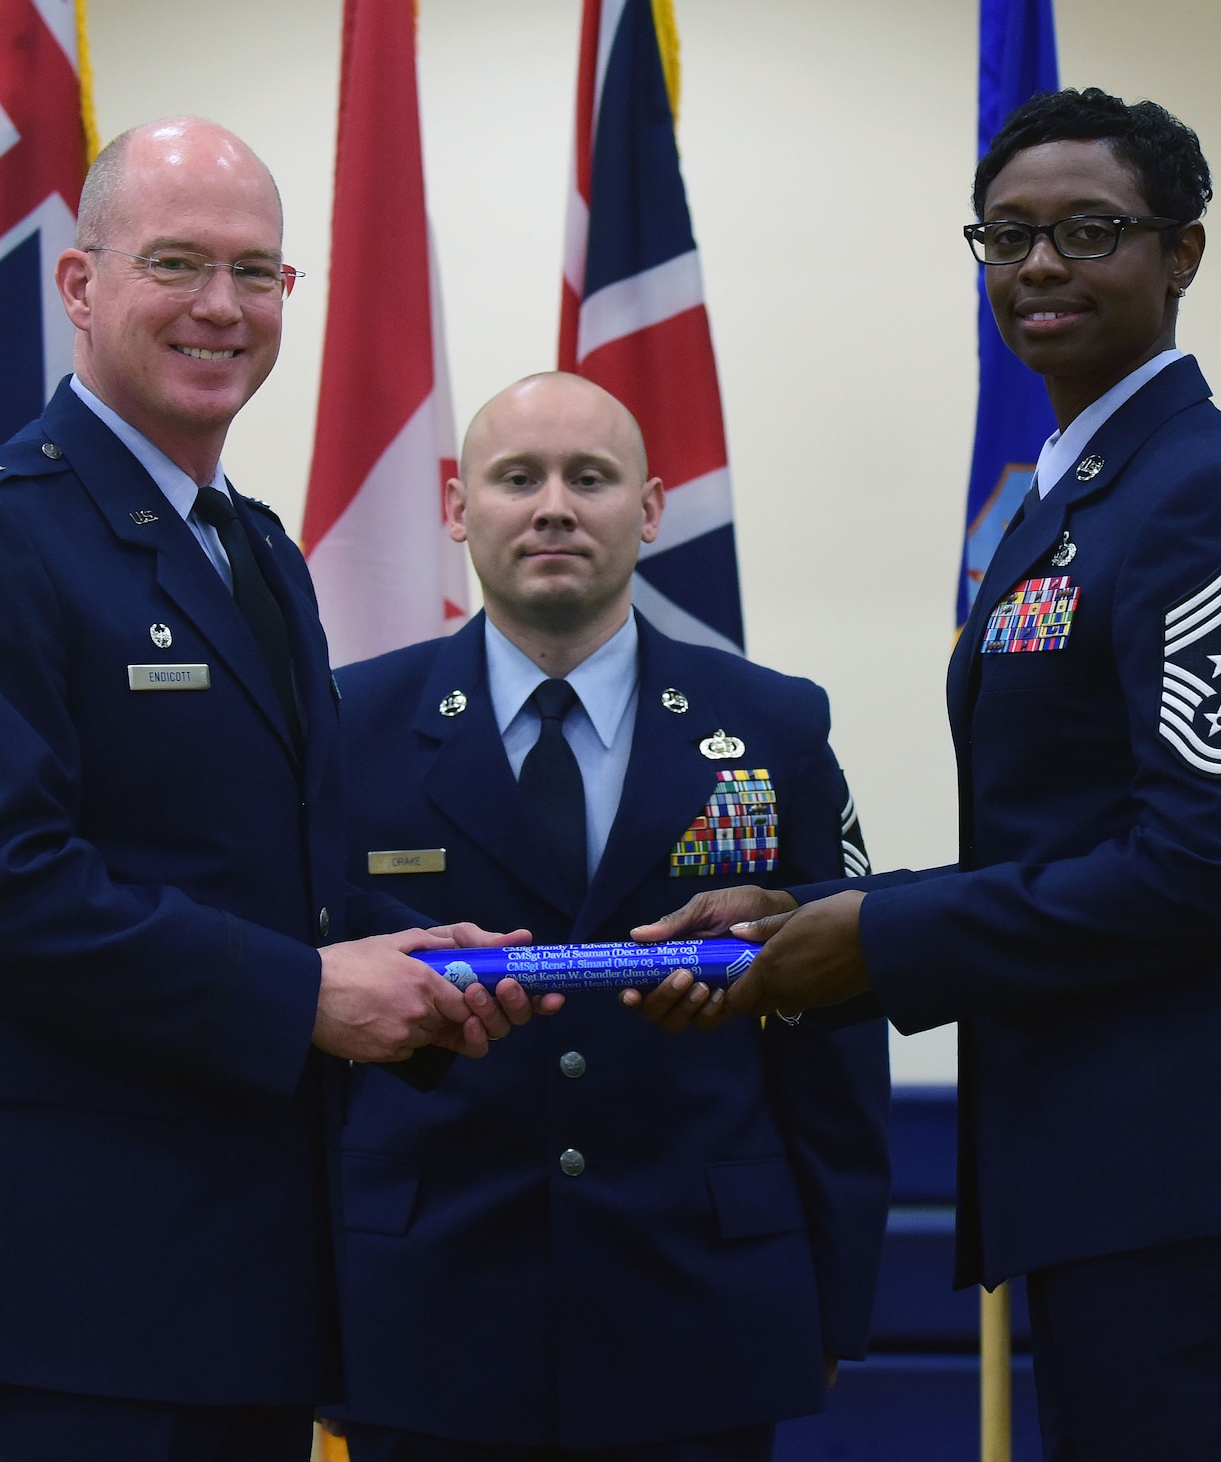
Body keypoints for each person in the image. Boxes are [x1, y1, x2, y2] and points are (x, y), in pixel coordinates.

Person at [634, 90, 1221, 1459]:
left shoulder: (1195, 494)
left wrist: (875, 940)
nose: (1040, 266)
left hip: (1198, 1155)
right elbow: (1070, 829)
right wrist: (809, 912)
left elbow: (1201, 862)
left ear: (1185, 253)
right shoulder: (1075, 491)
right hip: (1118, 1149)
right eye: (1008, 235)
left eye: (1090, 231)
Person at [0, 118, 552, 1462]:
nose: (222, 307)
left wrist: (403, 976)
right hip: (55, 1302)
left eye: (258, 271)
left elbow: (267, 879)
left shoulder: (256, 552)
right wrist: (307, 992)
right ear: (80, 284)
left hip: (245, 1290)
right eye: (177, 263)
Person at [326, 372, 892, 1462]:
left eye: (589, 478)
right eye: (515, 478)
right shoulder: (349, 726)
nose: (552, 507)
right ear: (455, 507)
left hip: (703, 1304)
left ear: (649, 508)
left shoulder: (772, 723)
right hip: (421, 1308)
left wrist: (831, 1287)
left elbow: (833, 1022)